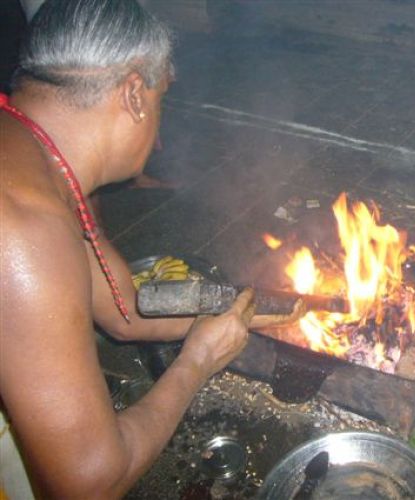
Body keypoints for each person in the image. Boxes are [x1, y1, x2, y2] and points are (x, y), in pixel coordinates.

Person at [0, 1, 269, 497]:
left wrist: (246, 312)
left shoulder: (35, 152)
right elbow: (89, 482)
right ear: (134, 95)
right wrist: (195, 364)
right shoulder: (25, 223)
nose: (160, 141)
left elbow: (123, 311)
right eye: (161, 101)